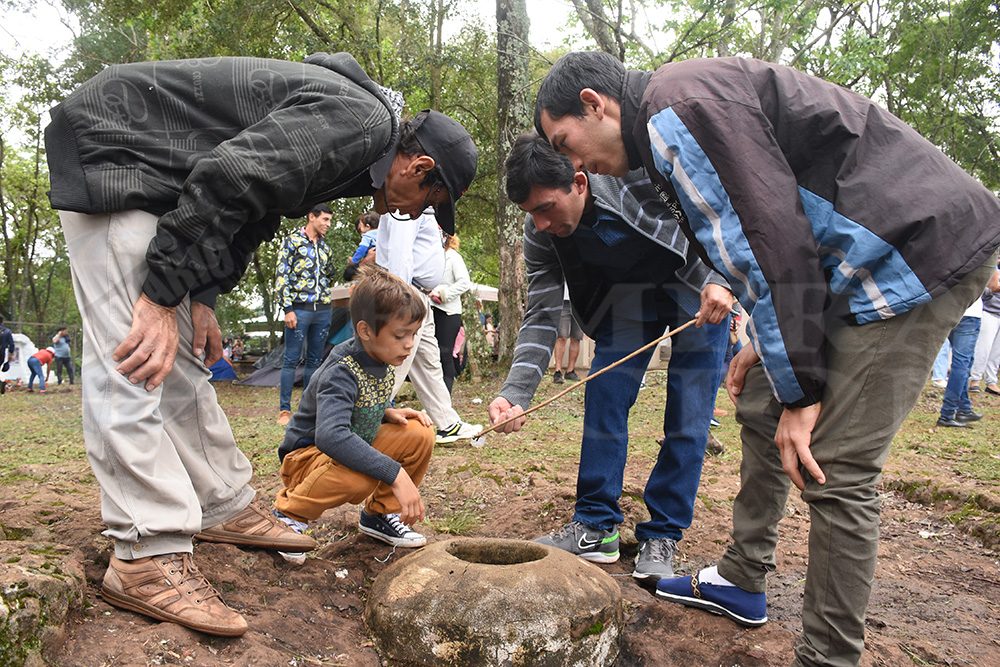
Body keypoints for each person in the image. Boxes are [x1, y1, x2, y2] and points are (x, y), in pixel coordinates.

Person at [534, 51, 1000, 666]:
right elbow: (776, 229)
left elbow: (766, 240)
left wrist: (802, 391)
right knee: (759, 397)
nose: (573, 165)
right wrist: (772, 346)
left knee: (835, 463)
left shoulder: (676, 113)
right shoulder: (670, 113)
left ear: (594, 105)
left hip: (914, 248)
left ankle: (827, 656)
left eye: (565, 143)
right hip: (847, 265)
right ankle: (743, 576)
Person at [45, 53, 477, 636]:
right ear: (419, 166)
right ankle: (145, 551)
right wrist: (160, 296)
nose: (418, 212)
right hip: (121, 150)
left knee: (179, 361)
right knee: (134, 357)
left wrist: (201, 295)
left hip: (164, 178)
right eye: (429, 200)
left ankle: (220, 504)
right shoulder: (362, 123)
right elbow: (231, 176)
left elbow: (254, 207)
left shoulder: (356, 142)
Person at [489, 133, 732, 582]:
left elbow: (721, 209)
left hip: (697, 289)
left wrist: (723, 277)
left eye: (546, 208)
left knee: (689, 416)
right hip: (626, 302)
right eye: (530, 213)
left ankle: (663, 533)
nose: (540, 223)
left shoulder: (638, 174)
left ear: (580, 183)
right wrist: (515, 392)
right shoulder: (540, 231)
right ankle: (595, 526)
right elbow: (541, 313)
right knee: (604, 395)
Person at [273, 266, 435, 563]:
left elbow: (358, 402)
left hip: (337, 451)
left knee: (418, 433)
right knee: (360, 478)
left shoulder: (382, 357)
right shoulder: (342, 370)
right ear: (365, 331)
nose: (410, 344)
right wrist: (395, 473)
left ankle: (380, 516)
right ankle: (288, 516)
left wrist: (386, 411)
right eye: (400, 335)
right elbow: (331, 436)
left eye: (413, 334)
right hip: (306, 459)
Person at [376, 211, 482, 444]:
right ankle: (362, 417)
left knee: (429, 361)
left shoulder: (426, 210)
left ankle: (447, 423)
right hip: (406, 293)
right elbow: (400, 254)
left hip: (421, 296)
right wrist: (402, 300)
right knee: (396, 362)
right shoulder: (405, 207)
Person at [275, 204, 338, 425]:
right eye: (325, 219)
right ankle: (284, 411)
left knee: (315, 361)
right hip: (299, 310)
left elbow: (330, 274)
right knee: (291, 360)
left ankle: (307, 409)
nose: (328, 224)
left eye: (330, 221)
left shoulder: (325, 248)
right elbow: (281, 276)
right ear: (312, 217)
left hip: (323, 310)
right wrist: (288, 309)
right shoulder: (292, 242)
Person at [429, 233, 473, 392]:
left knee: (445, 353)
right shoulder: (430, 258)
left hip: (449, 312)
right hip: (430, 311)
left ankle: (445, 396)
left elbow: (464, 283)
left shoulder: (454, 257)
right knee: (431, 355)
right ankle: (434, 394)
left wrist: (443, 294)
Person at [936, 300, 983, 427]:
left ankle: (964, 408)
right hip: (970, 314)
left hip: (949, 311)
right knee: (961, 364)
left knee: (965, 362)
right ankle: (947, 414)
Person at [968, 269, 1000, 395]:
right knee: (983, 348)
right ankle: (975, 380)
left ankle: (991, 382)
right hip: (990, 312)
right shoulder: (994, 270)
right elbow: (989, 289)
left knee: (997, 352)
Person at [551, 285, 582, 384]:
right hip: (563, 301)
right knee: (562, 337)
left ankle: (570, 371)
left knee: (576, 337)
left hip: (580, 301)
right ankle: (558, 371)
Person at [343, 211, 380, 281]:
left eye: (360, 230)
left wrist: (354, 260)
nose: (361, 234)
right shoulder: (384, 235)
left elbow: (362, 249)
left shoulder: (367, 236)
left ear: (367, 226)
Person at [1, 316, 15, 395]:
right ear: (2, 321)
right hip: (2, 353)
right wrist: (11, 354)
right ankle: (1, 383)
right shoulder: (7, 331)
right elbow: (11, 344)